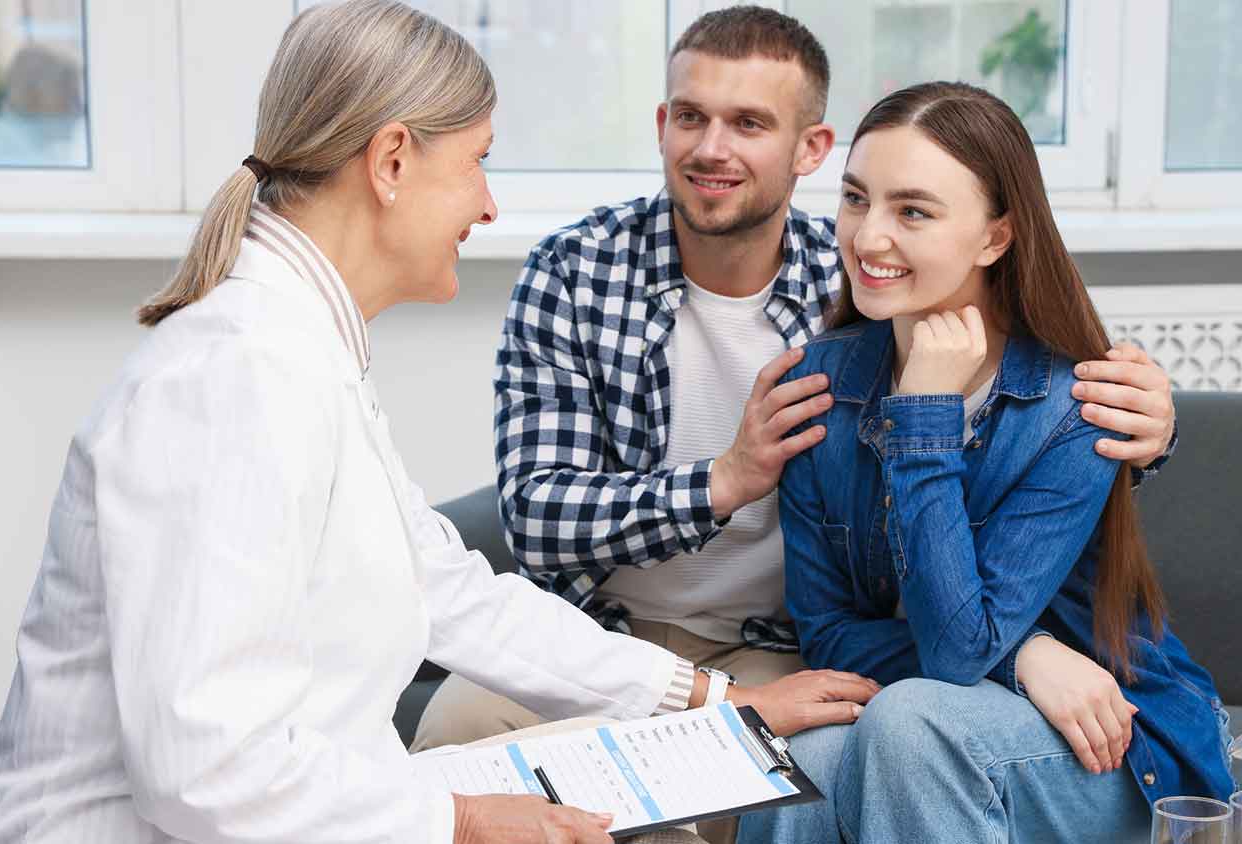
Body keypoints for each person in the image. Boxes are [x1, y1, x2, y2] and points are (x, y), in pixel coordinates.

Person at [0, 4, 876, 842]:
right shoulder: (234, 378)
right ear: (393, 161)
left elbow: (450, 591)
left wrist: (710, 698)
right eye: (478, 161)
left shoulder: (303, 354)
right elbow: (204, 769)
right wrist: (466, 819)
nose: (488, 206)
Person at [415, 5, 1180, 764]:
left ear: (810, 147)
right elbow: (535, 516)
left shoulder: (861, 281)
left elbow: (1005, 426)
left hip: (781, 648)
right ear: (660, 124)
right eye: (690, 116)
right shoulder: (577, 272)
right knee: (454, 743)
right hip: (593, 630)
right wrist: (724, 480)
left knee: (718, 784)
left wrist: (1150, 436)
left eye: (749, 124)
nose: (711, 148)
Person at [738, 81, 1234, 844]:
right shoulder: (818, 390)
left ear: (995, 237)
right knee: (809, 757)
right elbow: (830, 634)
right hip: (960, 711)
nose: (869, 238)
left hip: (1109, 740)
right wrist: (1027, 655)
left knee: (911, 723)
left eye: (913, 211)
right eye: (856, 199)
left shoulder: (1076, 408)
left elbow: (958, 648)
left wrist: (924, 419)